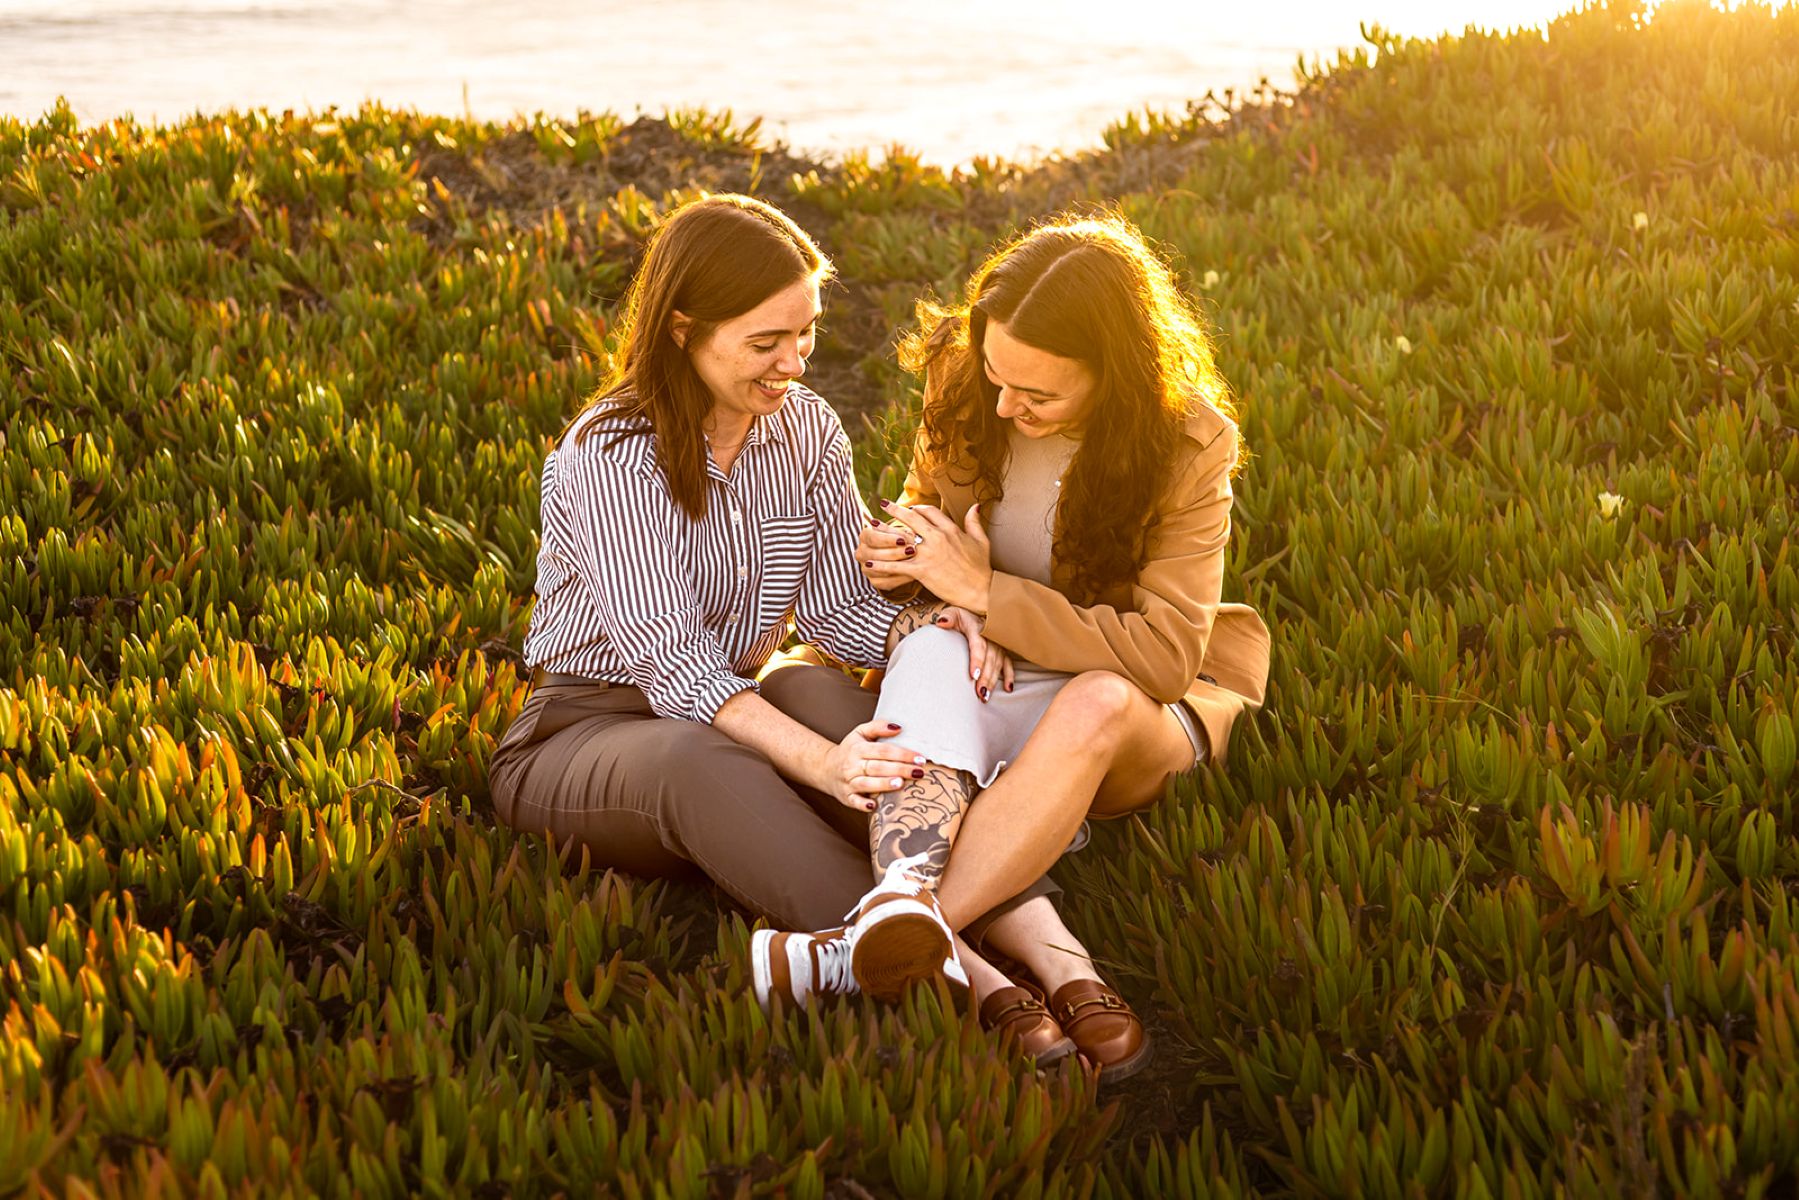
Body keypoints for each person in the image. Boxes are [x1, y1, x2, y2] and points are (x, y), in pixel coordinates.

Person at [767, 213, 1270, 1081]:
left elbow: (1159, 660)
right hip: (993, 661)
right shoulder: (968, 382)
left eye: (1037, 394)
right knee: (922, 650)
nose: (1006, 406)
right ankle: (1016, 953)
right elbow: (932, 508)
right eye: (997, 377)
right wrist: (915, 568)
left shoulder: (1190, 442)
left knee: (1097, 700)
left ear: (1116, 377)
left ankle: (873, 947)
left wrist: (988, 595)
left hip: (1132, 702)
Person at [487, 194, 986, 997]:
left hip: (741, 700)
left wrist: (939, 624)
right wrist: (826, 767)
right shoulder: (607, 452)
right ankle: (973, 980)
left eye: (805, 334)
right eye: (765, 342)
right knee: (703, 758)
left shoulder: (807, 427)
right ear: (683, 331)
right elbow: (678, 671)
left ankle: (1004, 914)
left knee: (830, 701)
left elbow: (836, 610)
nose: (794, 364)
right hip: (581, 734)